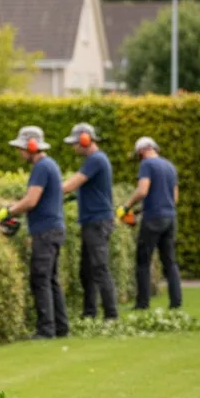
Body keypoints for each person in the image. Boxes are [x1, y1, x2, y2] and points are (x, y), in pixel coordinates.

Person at [0, 126, 68, 339]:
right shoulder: (50, 165)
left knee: (41, 279)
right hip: (54, 230)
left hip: (45, 232)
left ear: (32, 146)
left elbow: (31, 200)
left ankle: (46, 330)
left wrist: (8, 211)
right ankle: (61, 327)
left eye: (21, 148)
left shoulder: (41, 167)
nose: (19, 152)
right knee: (52, 280)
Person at [60, 123, 118, 320]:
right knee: (86, 270)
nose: (73, 147)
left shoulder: (96, 160)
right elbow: (83, 191)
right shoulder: (95, 161)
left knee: (99, 268)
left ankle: (111, 316)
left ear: (85, 140)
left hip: (97, 222)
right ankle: (89, 313)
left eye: (75, 143)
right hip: (92, 222)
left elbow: (71, 184)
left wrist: (49, 190)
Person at [119, 136, 182, 311]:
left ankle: (142, 303)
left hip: (153, 219)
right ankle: (176, 303)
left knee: (143, 261)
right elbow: (173, 198)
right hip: (170, 218)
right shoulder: (170, 166)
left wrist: (126, 206)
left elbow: (142, 190)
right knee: (170, 262)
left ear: (141, 151)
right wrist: (139, 211)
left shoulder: (147, 165)